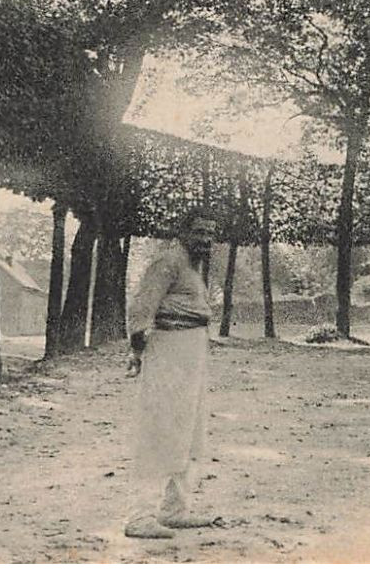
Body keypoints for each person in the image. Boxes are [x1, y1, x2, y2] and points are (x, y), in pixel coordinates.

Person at [124, 211, 219, 539]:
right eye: (199, 230)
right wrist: (136, 351)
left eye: (211, 232)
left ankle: (174, 509)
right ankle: (138, 516)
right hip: (168, 353)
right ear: (183, 232)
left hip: (192, 355)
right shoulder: (168, 262)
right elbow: (141, 309)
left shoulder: (192, 268)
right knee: (160, 428)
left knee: (189, 430)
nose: (206, 238)